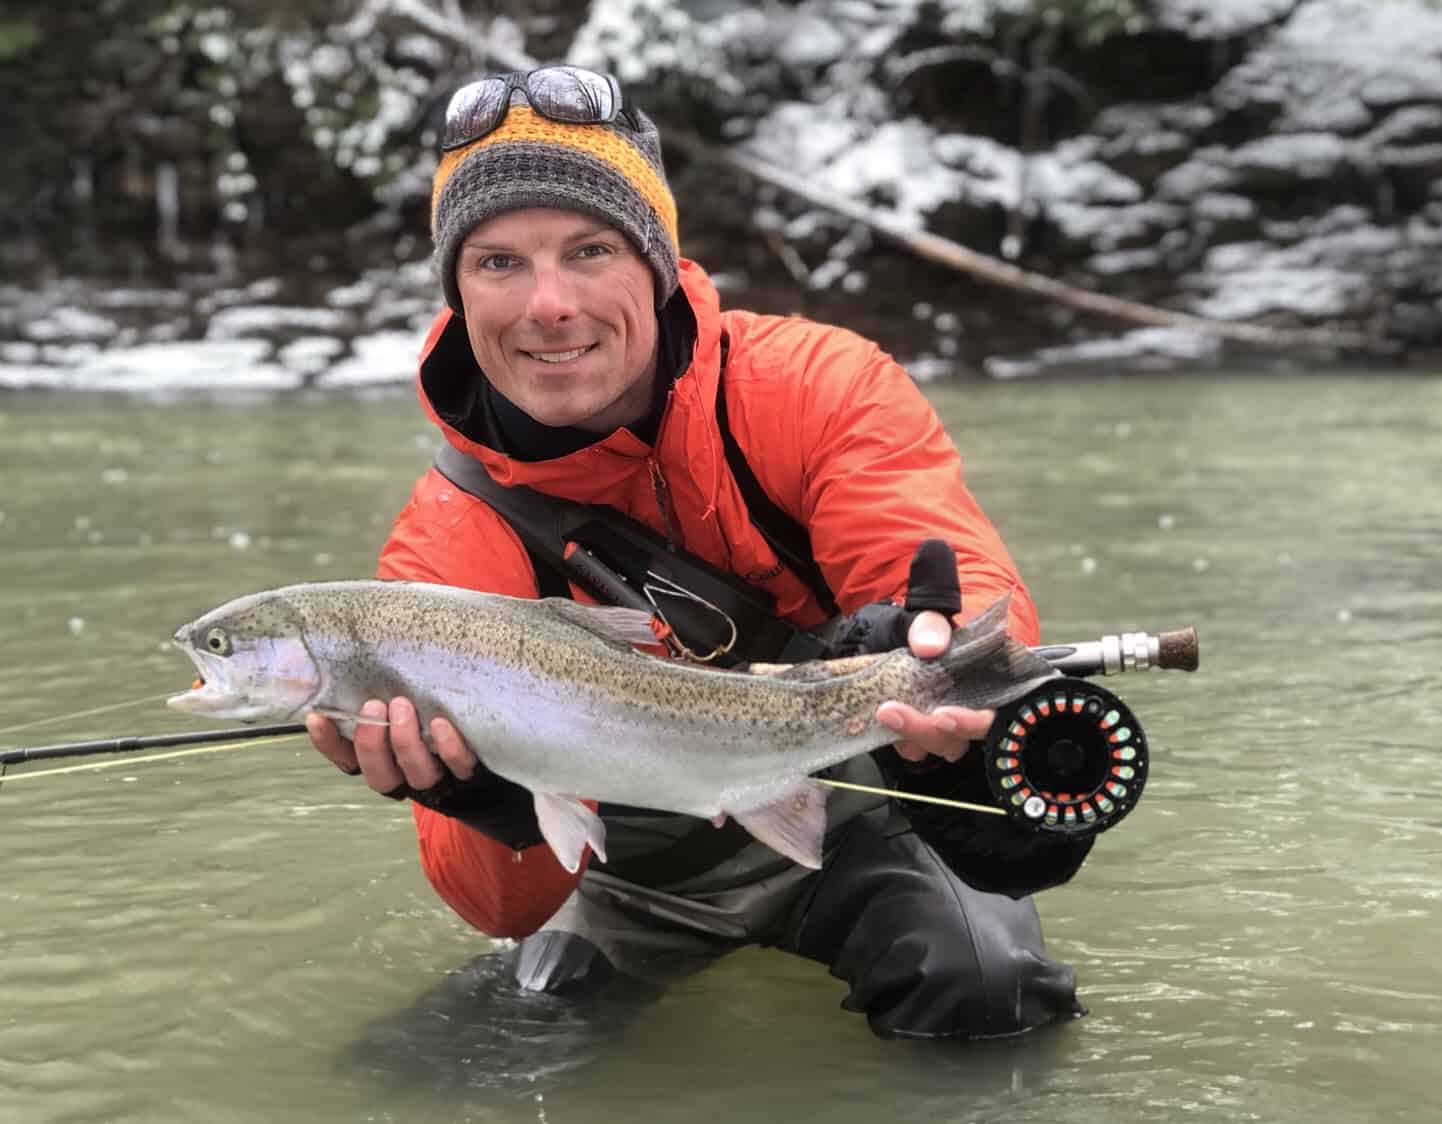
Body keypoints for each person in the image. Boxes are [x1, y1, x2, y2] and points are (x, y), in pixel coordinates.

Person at [307, 65, 1090, 1039]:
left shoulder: (815, 384)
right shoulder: (440, 540)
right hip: (632, 871)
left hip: (854, 803)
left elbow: (961, 594)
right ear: (457, 291)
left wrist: (924, 637)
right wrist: (488, 799)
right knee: (481, 1062)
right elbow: (499, 909)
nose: (547, 303)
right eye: (497, 262)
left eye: (588, 250)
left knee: (988, 995)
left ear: (655, 261)